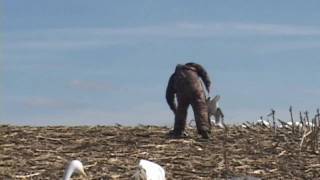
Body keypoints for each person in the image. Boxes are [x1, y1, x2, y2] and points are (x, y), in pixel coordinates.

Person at [166, 62, 211, 139]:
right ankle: (204, 130)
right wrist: (207, 84)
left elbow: (168, 95)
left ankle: (178, 131)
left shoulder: (174, 76)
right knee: (200, 108)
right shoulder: (194, 69)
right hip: (196, 89)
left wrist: (174, 109)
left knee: (181, 111)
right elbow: (204, 73)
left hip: (182, 91)